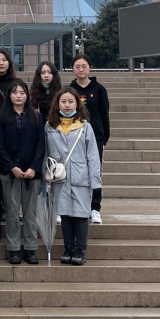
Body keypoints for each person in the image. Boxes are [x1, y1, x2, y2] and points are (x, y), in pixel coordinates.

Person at [45, 87, 102, 265]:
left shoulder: (85, 126)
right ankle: (68, 248)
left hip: (80, 177)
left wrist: (95, 182)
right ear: (57, 103)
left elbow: (93, 156)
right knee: (65, 214)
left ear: (77, 103)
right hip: (59, 178)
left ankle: (80, 250)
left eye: (71, 101)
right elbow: (46, 152)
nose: (67, 105)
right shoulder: (50, 126)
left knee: (81, 214)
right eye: (63, 101)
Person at [0, 80, 45, 265]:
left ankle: (31, 249)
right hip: (10, 173)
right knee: (12, 212)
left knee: (30, 213)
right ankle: (14, 248)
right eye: (15, 92)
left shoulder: (37, 117)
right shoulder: (1, 117)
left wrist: (33, 168)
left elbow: (41, 144)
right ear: (9, 95)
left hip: (32, 173)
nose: (18, 96)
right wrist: (12, 167)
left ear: (27, 95)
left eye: (22, 93)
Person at [70, 55, 110, 225]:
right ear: (73, 68)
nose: (81, 69)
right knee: (78, 173)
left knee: (95, 172)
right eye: (77, 66)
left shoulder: (99, 89)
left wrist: (104, 138)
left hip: (96, 137)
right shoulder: (69, 90)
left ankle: (95, 208)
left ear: (90, 67)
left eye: (84, 66)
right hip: (74, 137)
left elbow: (104, 114)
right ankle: (81, 206)